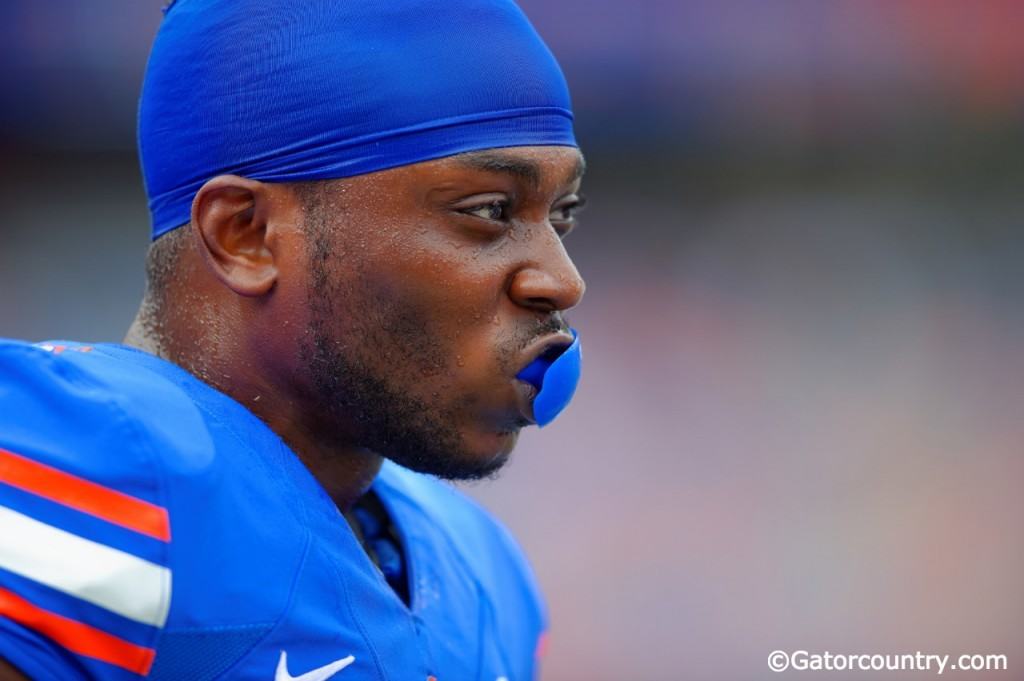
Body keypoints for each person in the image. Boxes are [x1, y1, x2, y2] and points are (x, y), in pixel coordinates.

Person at [0, 1, 587, 680]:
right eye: (488, 211)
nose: (561, 280)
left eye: (561, 215)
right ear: (245, 235)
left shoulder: (482, 571)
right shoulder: (80, 471)